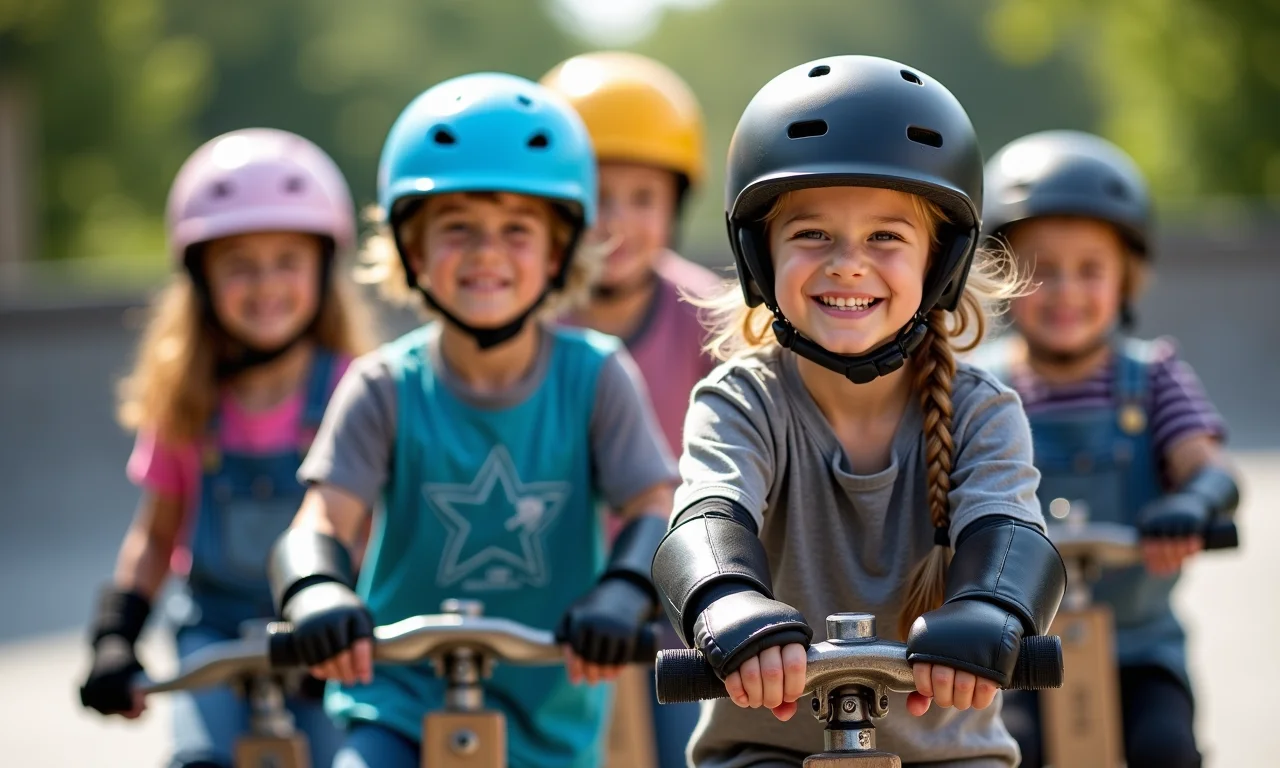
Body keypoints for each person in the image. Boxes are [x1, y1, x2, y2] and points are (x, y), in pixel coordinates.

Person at [650, 55, 1067, 767]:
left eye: (885, 237)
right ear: (759, 255)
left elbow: (1009, 532)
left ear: (940, 262)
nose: (847, 262)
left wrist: (988, 610)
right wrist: (726, 604)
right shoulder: (740, 400)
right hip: (762, 750)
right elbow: (709, 516)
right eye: (812, 233)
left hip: (950, 756)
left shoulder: (982, 410)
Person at [264, 73, 679, 768]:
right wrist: (316, 589)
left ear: (558, 252)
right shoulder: (385, 385)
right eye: (457, 229)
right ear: (413, 250)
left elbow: (653, 504)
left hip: (551, 712)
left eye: (517, 230)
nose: (487, 253)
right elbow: (322, 518)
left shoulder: (596, 376)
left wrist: (622, 592)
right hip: (399, 698)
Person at [77, 128, 375, 768]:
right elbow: (157, 534)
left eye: (287, 260)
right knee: (201, 758)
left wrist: (354, 616)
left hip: (329, 631)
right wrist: (115, 633)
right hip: (215, 633)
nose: (265, 284)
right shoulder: (188, 401)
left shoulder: (356, 390)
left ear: (324, 269)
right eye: (239, 264)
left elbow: (375, 530)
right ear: (201, 277)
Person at [975, 130, 1239, 768]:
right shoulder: (982, 386)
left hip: (1138, 647)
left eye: (1090, 270)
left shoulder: (1154, 378)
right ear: (1003, 276)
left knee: (1165, 747)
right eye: (1042, 271)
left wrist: (1192, 505)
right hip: (1019, 648)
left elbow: (1212, 470)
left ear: (1126, 280)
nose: (1065, 291)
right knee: (1009, 750)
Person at [540, 50, 717, 768]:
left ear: (674, 208)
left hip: (682, 600)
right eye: (596, 198)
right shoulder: (527, 324)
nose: (616, 223)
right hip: (554, 603)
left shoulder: (711, 317)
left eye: (642, 199)